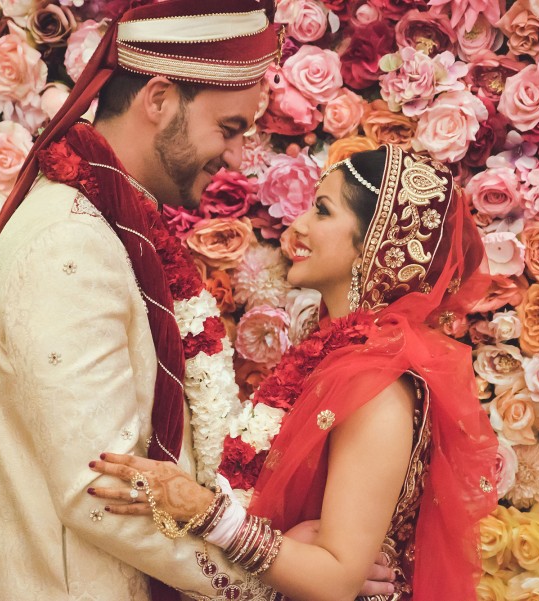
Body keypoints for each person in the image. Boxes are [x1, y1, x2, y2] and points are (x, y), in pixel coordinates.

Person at [0, 1, 294, 599]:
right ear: (158, 100)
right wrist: (275, 580)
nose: (237, 156)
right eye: (229, 128)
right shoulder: (72, 246)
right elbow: (100, 494)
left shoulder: (112, 223)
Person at [88, 145, 501, 601]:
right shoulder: (328, 355)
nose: (299, 225)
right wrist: (283, 542)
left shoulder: (377, 387)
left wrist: (205, 511)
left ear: (374, 243)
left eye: (322, 211)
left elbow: (336, 579)